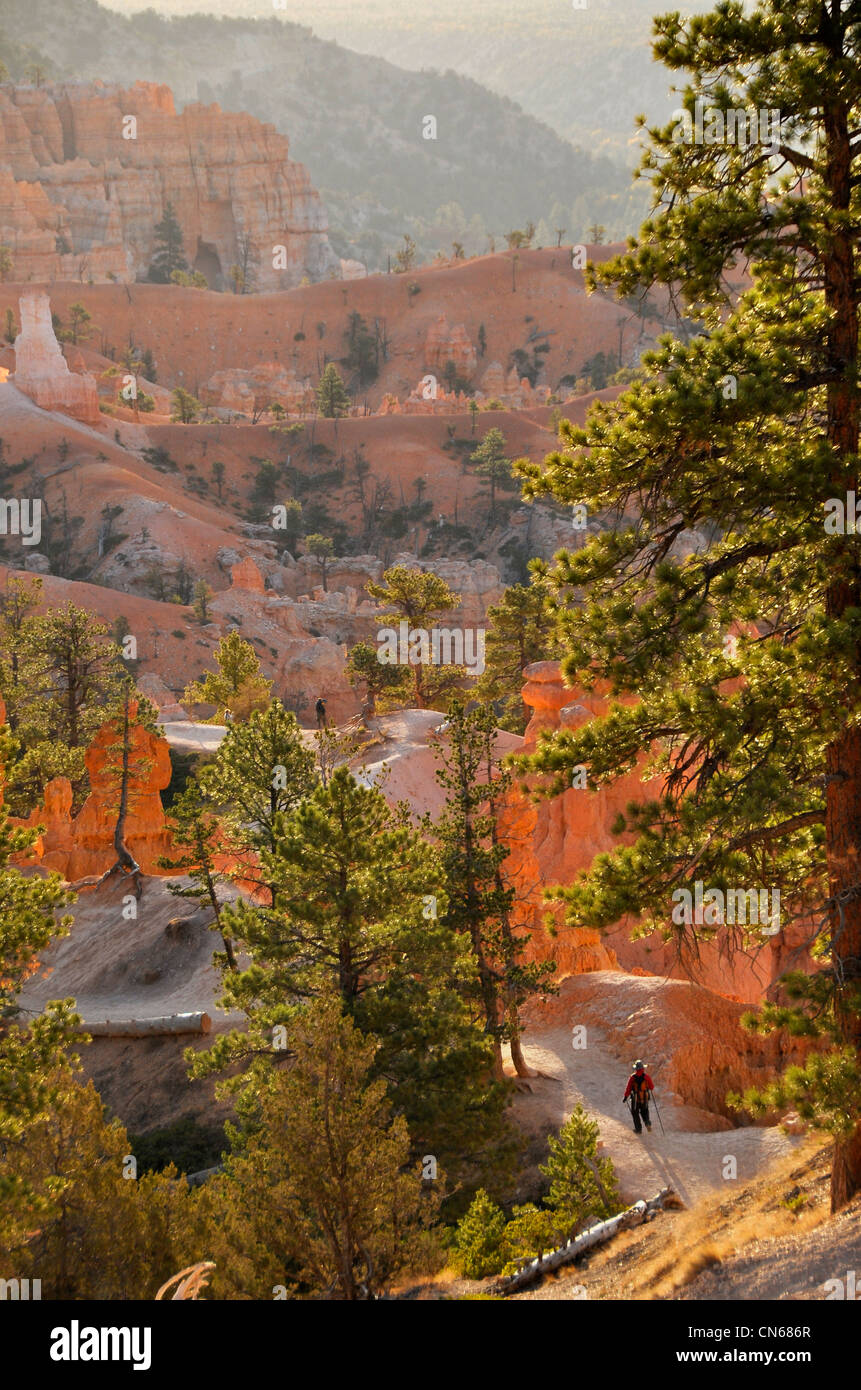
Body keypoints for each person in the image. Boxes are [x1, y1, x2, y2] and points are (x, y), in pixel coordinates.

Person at [623, 1059, 654, 1134]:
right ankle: (647, 1123)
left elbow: (628, 1088)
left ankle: (638, 1129)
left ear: (636, 1069)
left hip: (635, 1099)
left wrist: (625, 1097)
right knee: (645, 1111)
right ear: (643, 1068)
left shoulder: (632, 1077)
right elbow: (651, 1087)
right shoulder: (647, 1077)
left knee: (635, 1113)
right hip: (645, 1098)